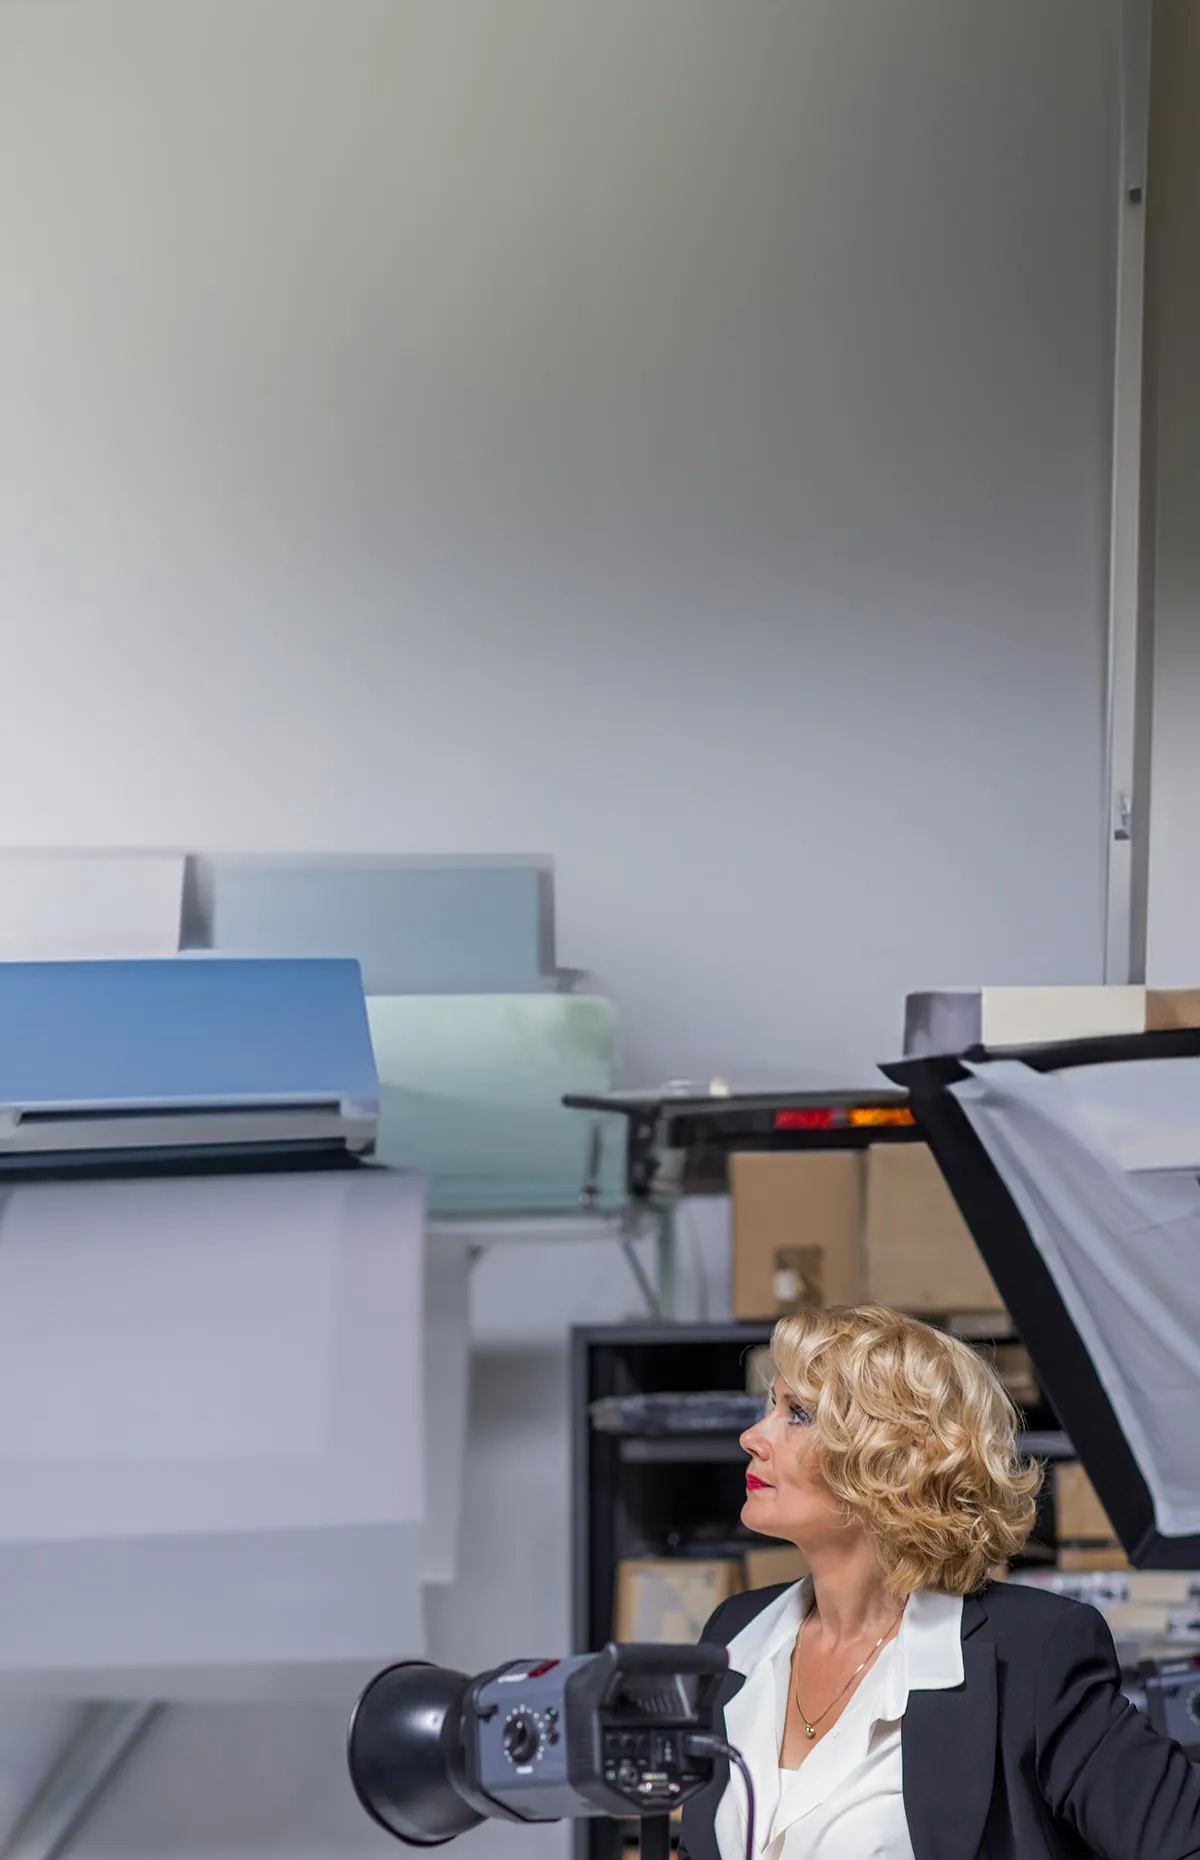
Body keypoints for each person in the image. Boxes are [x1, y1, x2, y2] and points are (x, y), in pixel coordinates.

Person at [678, 1303, 1200, 1860]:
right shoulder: (737, 1634)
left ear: (891, 1459)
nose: (752, 1437)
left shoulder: (1030, 1653)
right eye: (769, 1407)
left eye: (797, 1413)